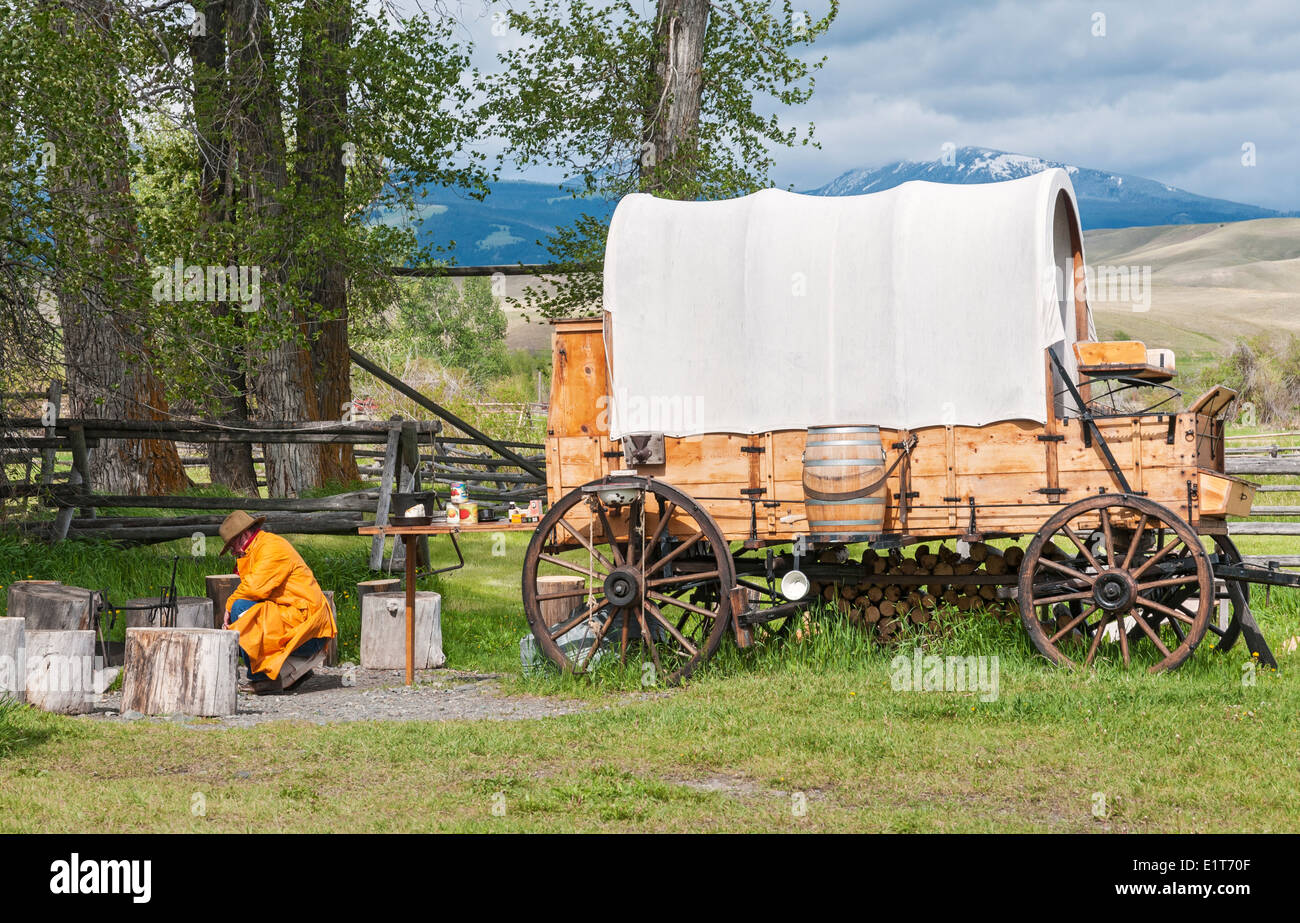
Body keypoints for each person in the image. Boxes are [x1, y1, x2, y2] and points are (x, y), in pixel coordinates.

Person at [217, 511, 336, 690]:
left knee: (240, 609)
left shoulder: (271, 548)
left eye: (232, 545)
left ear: (245, 535)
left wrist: (228, 607)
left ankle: (263, 679)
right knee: (244, 612)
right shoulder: (258, 547)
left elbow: (253, 587)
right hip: (297, 622)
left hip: (309, 633)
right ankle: (286, 671)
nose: (233, 551)